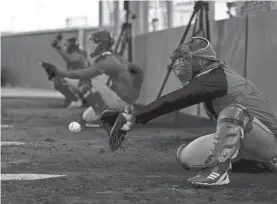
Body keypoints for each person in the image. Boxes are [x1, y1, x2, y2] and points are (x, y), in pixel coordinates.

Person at [114, 37, 277, 187]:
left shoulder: (216, 78)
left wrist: (136, 118)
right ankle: (249, 161)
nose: (181, 63)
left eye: (187, 59)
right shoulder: (210, 77)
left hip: (269, 142)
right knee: (186, 157)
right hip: (245, 140)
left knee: (233, 111)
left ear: (203, 61)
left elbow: (176, 99)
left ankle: (219, 172)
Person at [50, 30, 144, 127]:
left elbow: (84, 74)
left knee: (85, 81)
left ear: (100, 43)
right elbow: (138, 71)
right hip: (119, 98)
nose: (90, 45)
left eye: (93, 42)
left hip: (120, 99)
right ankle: (119, 112)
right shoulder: (112, 56)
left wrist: (60, 73)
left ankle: (112, 112)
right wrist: (134, 94)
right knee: (86, 118)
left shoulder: (107, 60)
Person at [51, 34, 91, 108]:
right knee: (62, 78)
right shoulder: (80, 53)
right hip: (85, 84)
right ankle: (80, 99)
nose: (65, 47)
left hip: (86, 85)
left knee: (59, 79)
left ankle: (76, 100)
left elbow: (70, 59)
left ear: (72, 46)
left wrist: (58, 47)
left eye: (66, 45)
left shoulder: (78, 54)